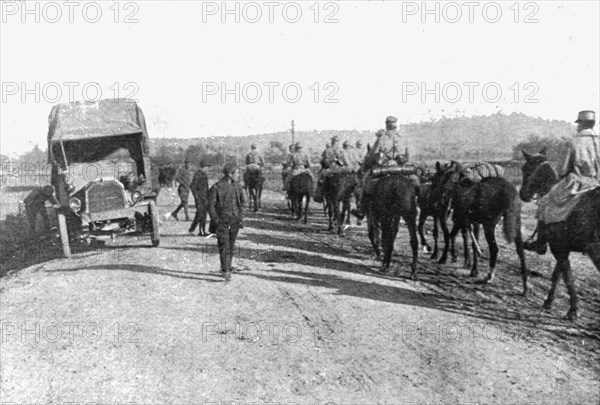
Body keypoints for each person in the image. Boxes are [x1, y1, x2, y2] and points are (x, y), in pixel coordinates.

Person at [524, 110, 599, 254]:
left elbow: (563, 170)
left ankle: (540, 242)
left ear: (581, 124)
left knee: (545, 201)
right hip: (598, 183)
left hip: (579, 183)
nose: (577, 127)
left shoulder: (572, 143)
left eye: (578, 124)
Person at [351, 116, 410, 220]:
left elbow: (372, 154)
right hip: (400, 167)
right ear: (395, 126)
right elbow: (407, 155)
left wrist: (368, 162)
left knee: (365, 181)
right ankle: (415, 207)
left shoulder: (382, 138)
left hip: (384, 167)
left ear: (386, 125)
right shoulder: (402, 138)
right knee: (414, 181)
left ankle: (361, 209)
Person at [208, 162, 245, 281]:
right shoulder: (216, 187)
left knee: (231, 245)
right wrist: (216, 220)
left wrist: (240, 216)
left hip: (234, 220)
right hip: (222, 221)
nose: (239, 175)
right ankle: (225, 270)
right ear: (231, 173)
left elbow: (243, 203)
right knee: (224, 246)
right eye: (237, 172)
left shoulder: (237, 186)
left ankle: (227, 266)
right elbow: (211, 206)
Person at [188, 165, 209, 236]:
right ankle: (192, 229)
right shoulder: (198, 174)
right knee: (199, 214)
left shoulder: (204, 174)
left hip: (205, 197)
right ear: (204, 167)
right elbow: (192, 187)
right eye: (207, 167)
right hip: (199, 198)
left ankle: (202, 231)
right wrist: (196, 197)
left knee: (204, 214)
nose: (208, 168)